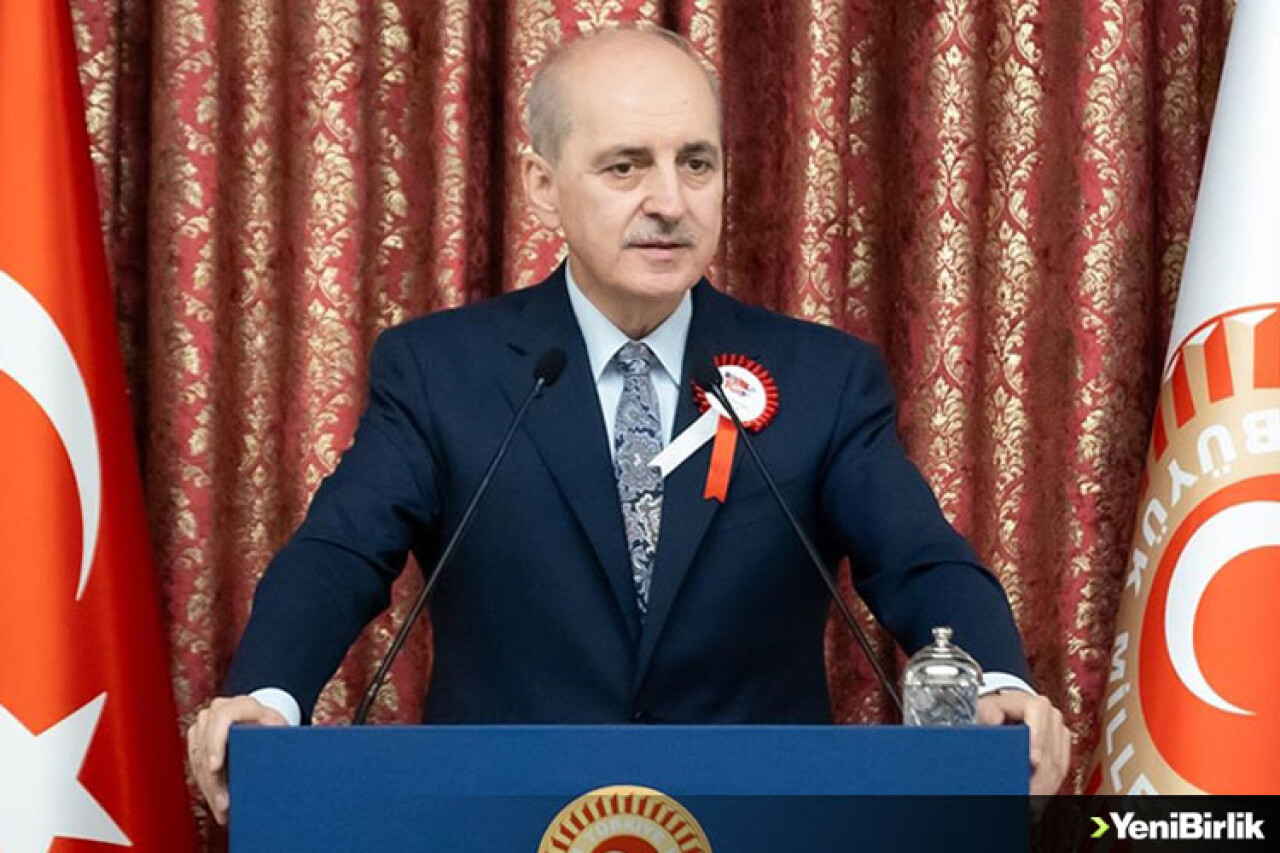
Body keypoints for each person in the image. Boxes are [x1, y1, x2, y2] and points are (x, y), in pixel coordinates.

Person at [187, 26, 1071, 825]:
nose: (670, 201)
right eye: (625, 166)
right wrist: (270, 693)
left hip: (758, 822)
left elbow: (918, 557)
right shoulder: (440, 370)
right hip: (505, 820)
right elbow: (340, 552)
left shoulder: (820, 378)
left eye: (697, 163)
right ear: (542, 185)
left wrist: (998, 683)